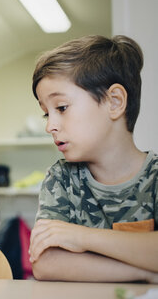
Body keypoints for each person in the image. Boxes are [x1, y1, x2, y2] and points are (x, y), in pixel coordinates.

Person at [28, 35, 158, 283]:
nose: (50, 126)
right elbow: (45, 263)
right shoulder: (61, 179)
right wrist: (145, 271)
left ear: (115, 102)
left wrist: (79, 237)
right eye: (47, 114)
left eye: (62, 108)